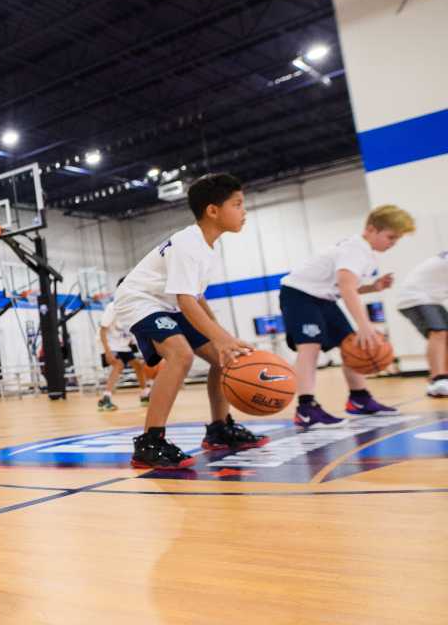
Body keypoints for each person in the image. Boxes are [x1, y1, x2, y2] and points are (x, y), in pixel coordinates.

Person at [113, 173, 268, 469]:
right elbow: (185, 300)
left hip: (169, 303)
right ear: (213, 210)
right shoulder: (188, 243)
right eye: (237, 204)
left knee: (225, 359)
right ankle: (150, 441)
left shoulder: (208, 248)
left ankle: (219, 429)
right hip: (140, 299)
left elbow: (196, 298)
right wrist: (222, 338)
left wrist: (224, 340)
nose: (243, 211)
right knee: (180, 354)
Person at [279, 205, 414, 427]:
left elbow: (345, 286)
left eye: (396, 239)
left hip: (323, 296)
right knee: (310, 346)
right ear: (371, 229)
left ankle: (359, 399)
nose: (392, 243)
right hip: (299, 294)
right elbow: (346, 287)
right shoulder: (356, 249)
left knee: (351, 344)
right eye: (391, 237)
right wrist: (365, 325)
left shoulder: (365, 252)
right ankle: (306, 408)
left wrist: (373, 287)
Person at [395, 251, 448, 398]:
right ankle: (439, 378)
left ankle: (441, 378)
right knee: (438, 332)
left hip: (431, 298)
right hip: (415, 297)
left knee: (444, 336)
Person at [97, 283, 151, 411]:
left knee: (138, 365)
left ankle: (144, 394)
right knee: (119, 365)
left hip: (123, 345)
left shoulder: (133, 309)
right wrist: (107, 351)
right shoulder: (112, 307)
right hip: (110, 344)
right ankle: (105, 398)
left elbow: (132, 332)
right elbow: (102, 330)